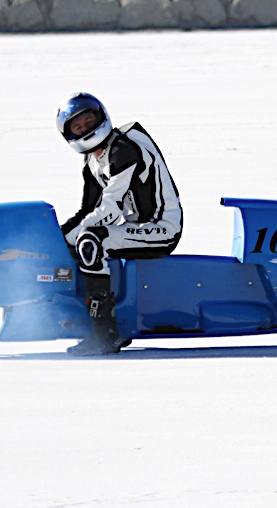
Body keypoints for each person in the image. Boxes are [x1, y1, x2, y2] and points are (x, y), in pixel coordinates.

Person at [56, 92, 183, 356]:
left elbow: (109, 209)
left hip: (161, 228)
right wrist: (55, 238)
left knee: (91, 241)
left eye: (89, 121)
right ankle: (81, 318)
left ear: (101, 117)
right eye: (78, 127)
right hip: (136, 227)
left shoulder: (123, 149)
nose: (86, 128)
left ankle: (105, 333)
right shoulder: (92, 162)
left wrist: (74, 236)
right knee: (73, 240)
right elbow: (87, 210)